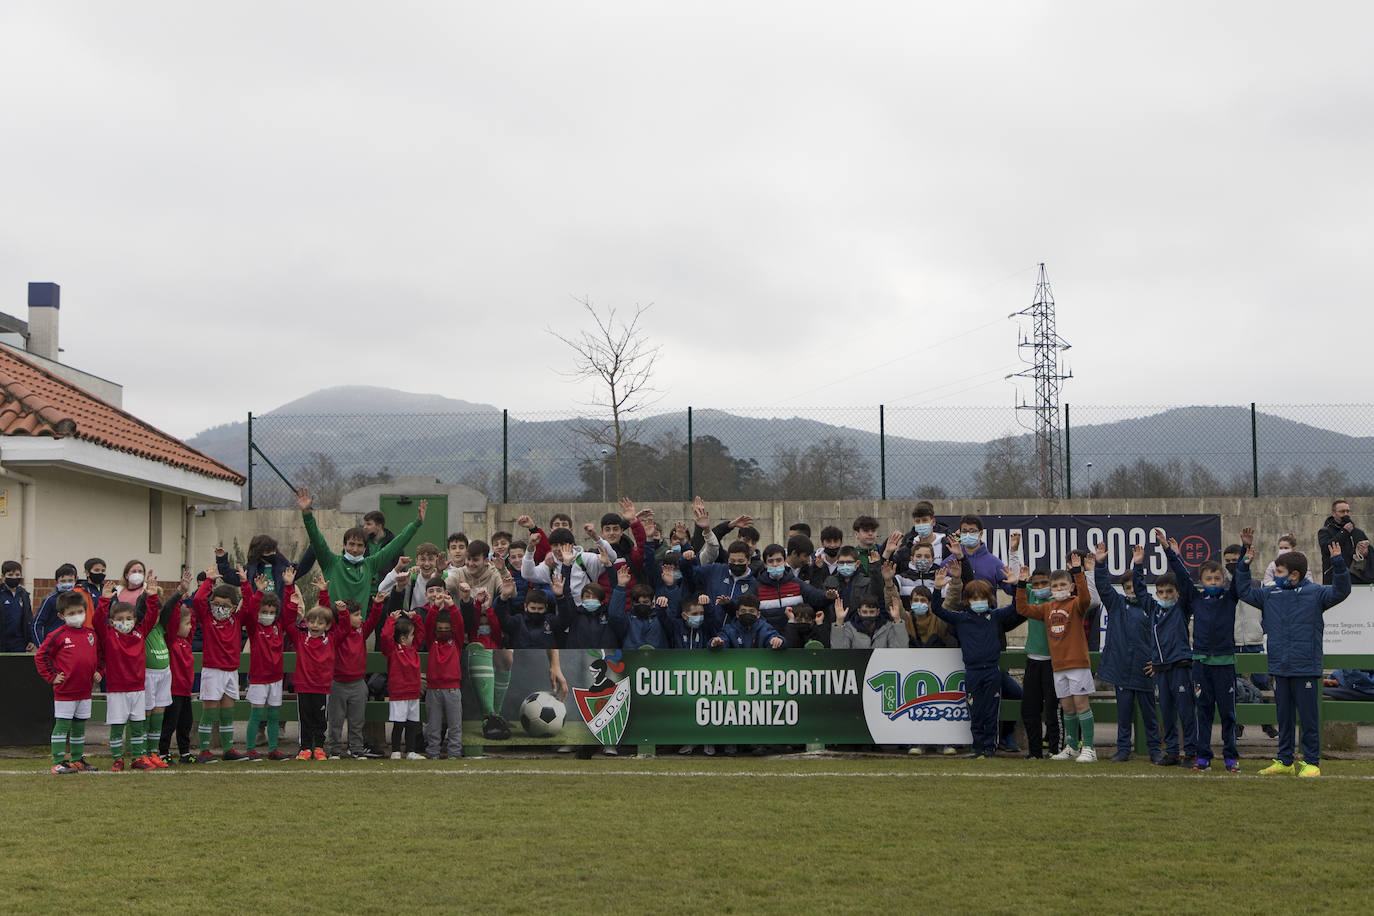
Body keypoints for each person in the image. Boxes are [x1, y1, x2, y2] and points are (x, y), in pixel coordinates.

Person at [1235, 527, 1351, 777]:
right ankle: (1285, 760)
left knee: (1308, 720)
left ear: (1294, 575)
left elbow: (1342, 591)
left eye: (1279, 572)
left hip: (1305, 667)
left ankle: (1311, 762)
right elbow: (1242, 591)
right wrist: (1245, 560)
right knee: (1284, 718)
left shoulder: (1316, 593)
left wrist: (1338, 563)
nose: (1274, 575)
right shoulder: (1270, 594)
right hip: (1280, 666)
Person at [1158, 527, 1240, 773]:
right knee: (1203, 713)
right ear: (1202, 582)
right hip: (1201, 665)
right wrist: (1170, 553)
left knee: (1228, 714)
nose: (1213, 583)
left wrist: (1245, 553)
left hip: (1224, 664)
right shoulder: (1195, 599)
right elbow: (1182, 578)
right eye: (1208, 579)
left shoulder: (1230, 598)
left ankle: (1230, 757)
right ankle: (1203, 757)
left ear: (1223, 581)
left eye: (1217, 579)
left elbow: (1241, 577)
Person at [1014, 555, 1096, 762]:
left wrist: (1078, 572)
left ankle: (1089, 747)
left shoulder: (1077, 604)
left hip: (1077, 663)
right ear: (1050, 589)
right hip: (1058, 666)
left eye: (1062, 585)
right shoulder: (1046, 608)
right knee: (1067, 707)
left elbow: (1087, 598)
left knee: (1081, 704)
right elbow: (1022, 609)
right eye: (1055, 585)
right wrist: (1022, 584)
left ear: (1070, 587)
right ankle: (1070, 746)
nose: (1059, 588)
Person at [931, 571, 1021, 759]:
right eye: (974, 598)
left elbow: (1016, 607)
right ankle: (978, 748)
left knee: (990, 713)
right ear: (967, 600)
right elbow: (938, 610)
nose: (978, 601)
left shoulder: (995, 616)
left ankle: (989, 748)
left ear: (989, 599)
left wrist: (1015, 586)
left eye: (982, 598)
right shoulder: (961, 618)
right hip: (972, 672)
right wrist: (937, 589)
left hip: (991, 672)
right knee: (975, 711)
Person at [295, 486, 425, 609]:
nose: (355, 549)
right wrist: (307, 513)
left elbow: (396, 544)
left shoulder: (370, 565)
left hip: (358, 627)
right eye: (351, 544)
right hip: (334, 627)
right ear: (344, 545)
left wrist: (416, 523)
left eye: (360, 545)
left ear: (365, 548)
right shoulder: (331, 562)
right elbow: (317, 539)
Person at [1091, 542, 1160, 764]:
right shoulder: (1117, 604)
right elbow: (1102, 586)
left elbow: (1160, 639)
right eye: (1127, 587)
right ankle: (1123, 749)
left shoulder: (1151, 607)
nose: (1132, 591)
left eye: (1135, 587)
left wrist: (1155, 661)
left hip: (1145, 668)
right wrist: (1100, 564)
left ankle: (1154, 750)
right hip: (1122, 668)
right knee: (1124, 714)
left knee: (1150, 715)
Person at [1131, 543, 1194, 767]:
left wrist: (1173, 554)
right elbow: (1139, 589)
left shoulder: (1182, 608)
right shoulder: (1153, 608)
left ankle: (1191, 752)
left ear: (1177, 593)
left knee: (1186, 712)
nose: (1165, 595)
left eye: (1170, 592)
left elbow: (1185, 581)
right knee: (1167, 713)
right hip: (1161, 667)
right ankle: (1173, 753)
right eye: (1161, 592)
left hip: (1180, 665)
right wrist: (1138, 564)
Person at [93, 578, 164, 771]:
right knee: (117, 726)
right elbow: (97, 621)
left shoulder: (140, 631)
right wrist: (104, 600)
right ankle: (117, 758)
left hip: (138, 689)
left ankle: (138, 757)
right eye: (120, 620)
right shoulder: (108, 634)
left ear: (135, 620)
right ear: (112, 621)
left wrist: (151, 595)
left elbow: (151, 615)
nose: (125, 623)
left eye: (129, 619)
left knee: (138, 725)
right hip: (117, 690)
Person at [34, 589, 101, 774]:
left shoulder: (91, 635)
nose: (76, 616)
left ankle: (78, 760)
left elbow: (99, 657)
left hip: (85, 691)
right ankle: (58, 762)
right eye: (71, 613)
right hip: (65, 691)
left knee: (79, 726)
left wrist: (99, 671)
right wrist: (51, 677)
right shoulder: (57, 635)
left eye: (79, 612)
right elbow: (41, 656)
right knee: (62, 726)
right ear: (61, 615)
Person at [192, 569, 252, 762]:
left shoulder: (236, 620)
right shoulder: (207, 619)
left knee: (227, 711)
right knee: (209, 710)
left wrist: (245, 583)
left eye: (225, 606)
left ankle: (228, 749)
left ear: (234, 607)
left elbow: (250, 604)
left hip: (231, 672)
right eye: (216, 604)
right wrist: (209, 581)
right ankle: (204, 751)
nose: (220, 609)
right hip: (212, 671)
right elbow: (198, 601)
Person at [239, 567, 292, 761]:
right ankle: (251, 749)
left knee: (273, 716)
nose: (268, 614)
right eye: (264, 611)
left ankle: (273, 749)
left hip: (276, 678)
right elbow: (250, 610)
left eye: (271, 612)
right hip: (259, 679)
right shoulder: (254, 628)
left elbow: (289, 611)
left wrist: (289, 586)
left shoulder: (279, 626)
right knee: (256, 715)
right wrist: (257, 591)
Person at [328, 595, 386, 759]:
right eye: (356, 615)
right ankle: (334, 750)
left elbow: (374, 620)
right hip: (338, 683)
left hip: (358, 684)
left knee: (357, 721)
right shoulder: (337, 633)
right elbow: (329, 614)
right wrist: (327, 596)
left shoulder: (361, 632)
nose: (360, 618)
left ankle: (356, 748)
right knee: (336, 720)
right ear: (345, 616)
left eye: (360, 614)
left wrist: (377, 605)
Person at [456, 580, 511, 741]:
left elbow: (496, 628)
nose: (484, 620)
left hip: (494, 654)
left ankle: (496, 714)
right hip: (476, 654)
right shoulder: (474, 632)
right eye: (482, 618)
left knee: (506, 660)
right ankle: (489, 717)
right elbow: (472, 620)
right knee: (478, 648)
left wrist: (488, 608)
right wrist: (478, 604)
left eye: (486, 618)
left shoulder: (494, 634)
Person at [1019, 568, 1063, 760]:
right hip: (1033, 662)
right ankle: (1034, 752)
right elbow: (1018, 584)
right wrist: (1013, 553)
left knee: (1053, 710)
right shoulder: (1031, 596)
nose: (1039, 587)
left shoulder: (1059, 601)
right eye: (1035, 584)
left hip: (1054, 663)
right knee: (1029, 710)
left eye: (1044, 583)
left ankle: (1056, 750)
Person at [286, 593, 336, 760]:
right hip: (304, 686)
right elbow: (287, 623)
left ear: (327, 626)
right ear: (306, 623)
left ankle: (320, 747)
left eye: (320, 623)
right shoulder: (300, 638)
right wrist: (292, 603)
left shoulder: (331, 639)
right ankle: (305, 747)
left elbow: (339, 624)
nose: (315, 625)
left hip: (322, 687)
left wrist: (324, 595)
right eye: (312, 622)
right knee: (305, 718)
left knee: (320, 719)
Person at [380, 600, 427, 760]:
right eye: (411, 635)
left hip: (413, 693)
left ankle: (411, 751)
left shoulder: (413, 649)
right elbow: (385, 637)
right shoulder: (393, 651)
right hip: (399, 693)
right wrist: (391, 621)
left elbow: (421, 634)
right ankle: (395, 751)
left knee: (412, 723)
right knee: (398, 723)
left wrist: (416, 619)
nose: (414, 637)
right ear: (402, 638)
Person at [422, 586, 465, 760]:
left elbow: (459, 624)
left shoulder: (456, 642)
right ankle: (432, 753)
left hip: (453, 689)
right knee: (433, 726)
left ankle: (454, 754)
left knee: (455, 726)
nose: (442, 631)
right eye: (440, 628)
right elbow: (429, 624)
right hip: (433, 690)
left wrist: (452, 606)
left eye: (446, 628)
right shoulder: (432, 641)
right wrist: (435, 607)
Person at [158, 573, 198, 764]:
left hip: (185, 691)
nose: (190, 627)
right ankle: (163, 752)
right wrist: (178, 598)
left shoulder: (186, 642)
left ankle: (184, 752)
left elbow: (193, 619)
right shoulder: (172, 640)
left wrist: (187, 604)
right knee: (169, 724)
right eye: (187, 624)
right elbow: (174, 619)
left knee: (185, 724)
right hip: (172, 690)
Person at [215, 536, 295, 596]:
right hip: (256, 612)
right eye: (266, 550)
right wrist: (221, 558)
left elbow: (304, 566)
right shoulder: (251, 570)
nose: (271, 553)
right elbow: (227, 576)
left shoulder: (285, 569)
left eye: (272, 549)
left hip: (278, 613)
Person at [829, 587, 907, 649]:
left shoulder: (887, 627)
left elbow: (900, 650)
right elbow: (839, 651)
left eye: (872, 612)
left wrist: (897, 620)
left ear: (878, 612)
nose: (868, 615)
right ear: (859, 612)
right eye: (865, 612)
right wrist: (839, 621)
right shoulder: (849, 627)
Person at [1317, 499, 1369, 584]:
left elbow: (1369, 552)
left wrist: (1365, 552)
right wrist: (1344, 532)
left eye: (1347, 511)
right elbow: (1327, 548)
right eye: (1342, 511)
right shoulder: (1325, 531)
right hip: (1334, 578)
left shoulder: (1358, 532)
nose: (1346, 514)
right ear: (1333, 513)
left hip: (1356, 578)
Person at [709, 594, 785, 649]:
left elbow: (776, 639)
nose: (747, 613)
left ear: (758, 614)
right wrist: (717, 642)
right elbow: (721, 640)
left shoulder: (765, 629)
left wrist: (778, 641)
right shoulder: (729, 630)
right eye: (743, 611)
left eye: (751, 611)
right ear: (737, 614)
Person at [32, 563, 80, 647]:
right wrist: (42, 646)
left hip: (74, 644)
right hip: (54, 645)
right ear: (56, 582)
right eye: (63, 581)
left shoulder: (79, 599)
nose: (67, 584)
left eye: (70, 581)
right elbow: (36, 624)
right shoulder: (50, 600)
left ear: (75, 580)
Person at [1, 560, 34, 653]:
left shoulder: (24, 595)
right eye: (10, 575)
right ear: (3, 577)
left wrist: (30, 639)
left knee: (17, 667)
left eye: (17, 574)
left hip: (19, 642)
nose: (14, 577)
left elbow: (29, 617)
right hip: (2, 642)